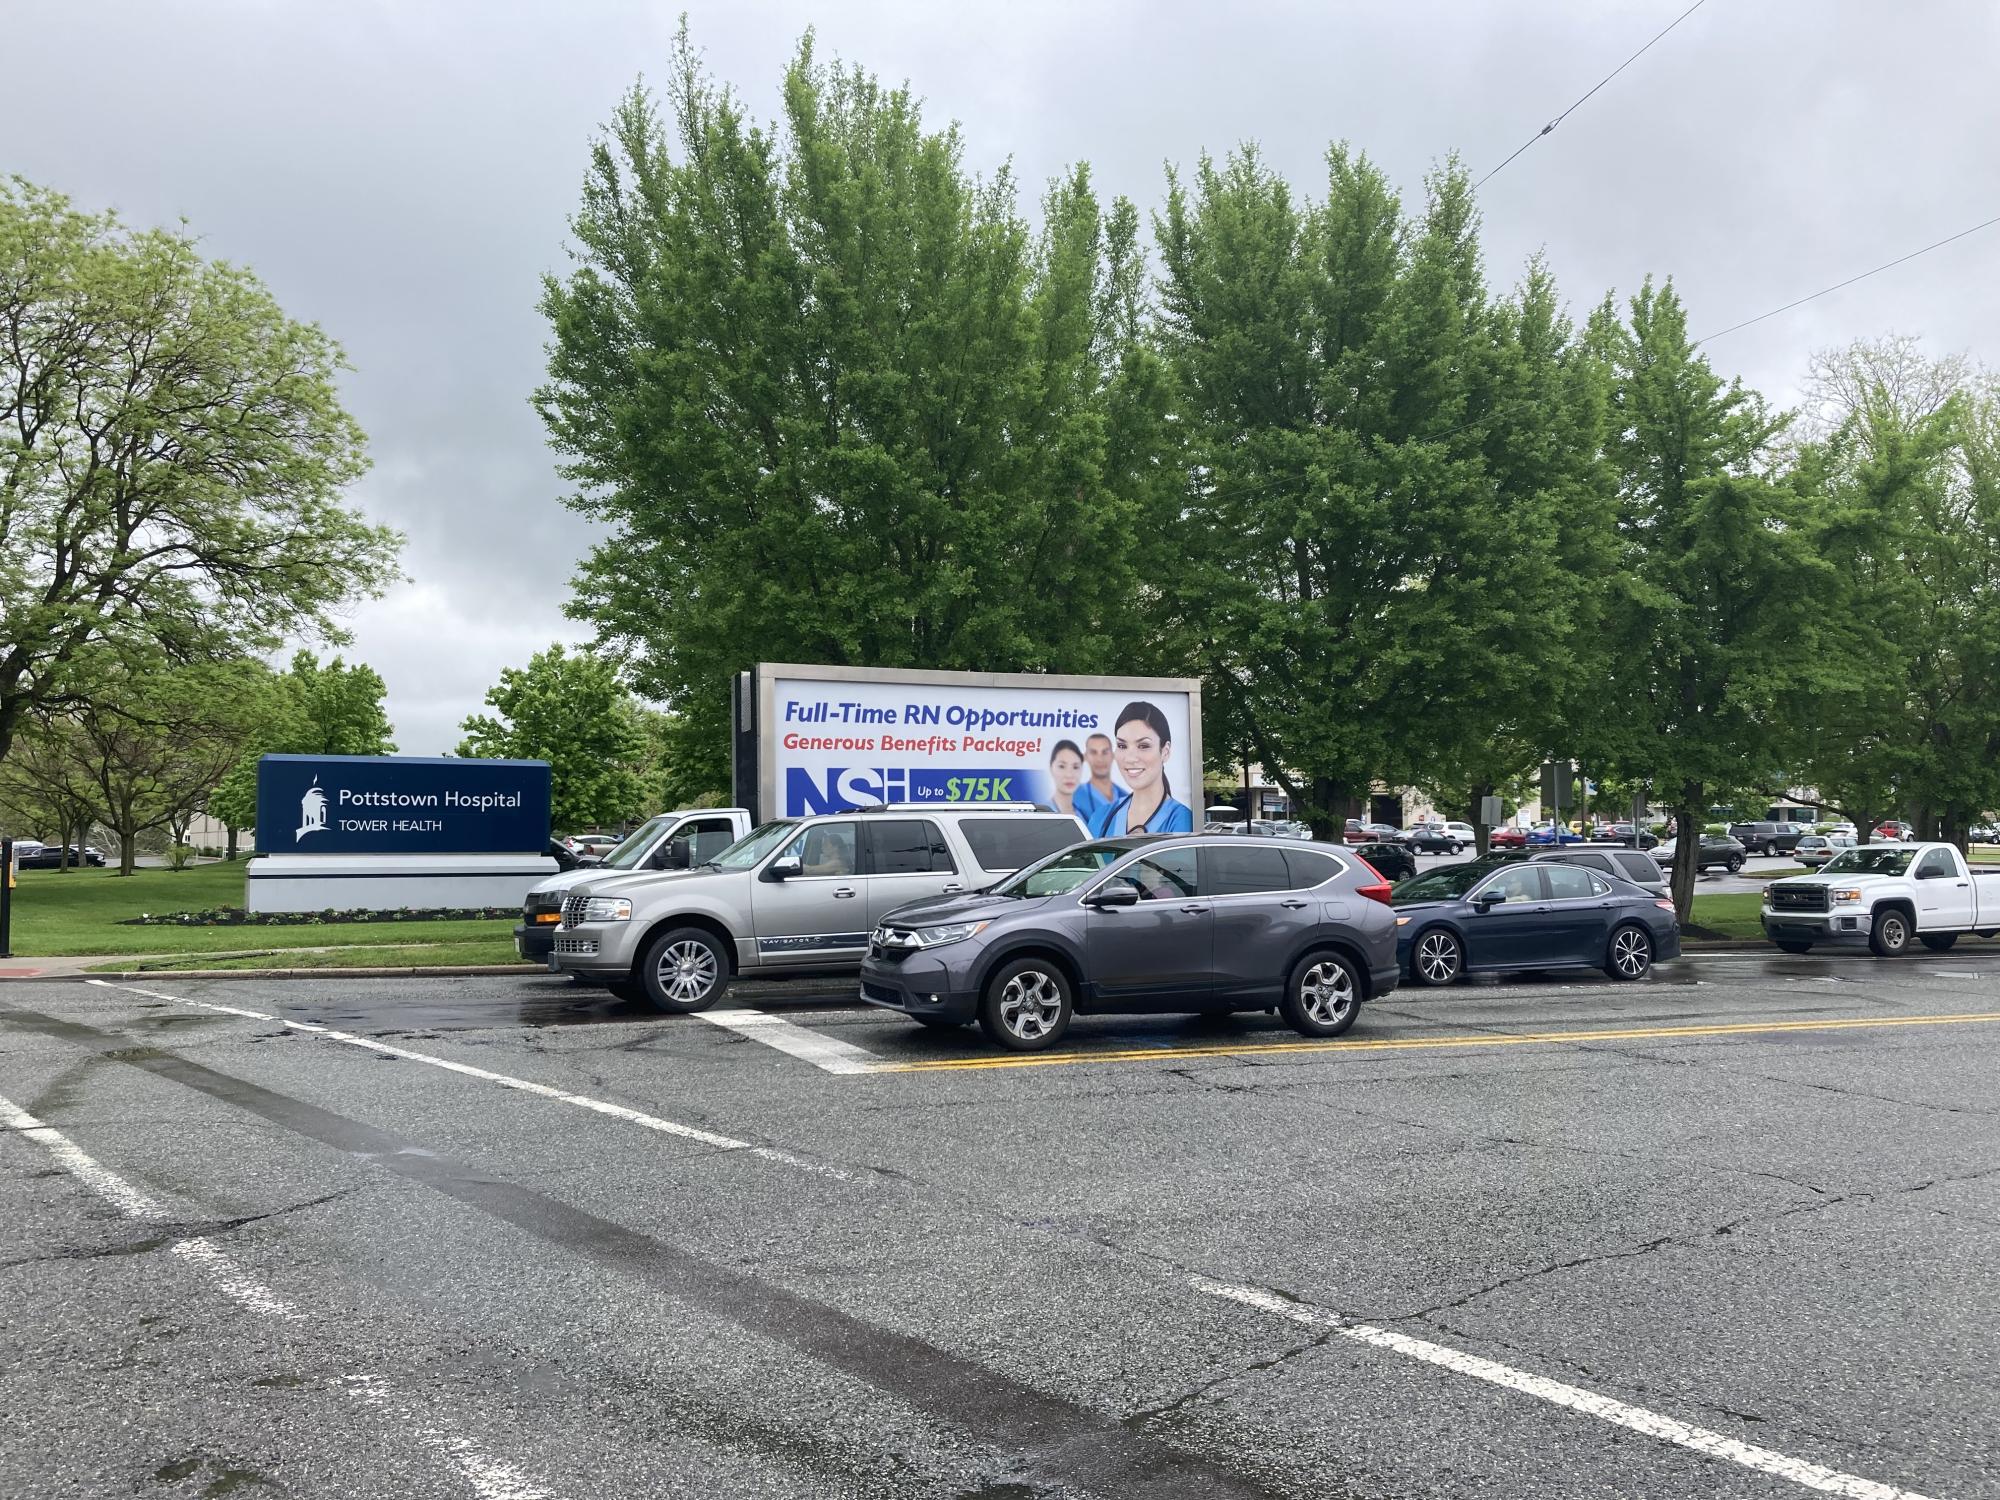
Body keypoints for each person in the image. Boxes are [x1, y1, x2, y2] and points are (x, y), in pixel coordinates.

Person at [1091, 702, 1194, 837]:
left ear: (1165, 751)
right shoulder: (1101, 817)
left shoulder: (1181, 819)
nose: (1130, 758)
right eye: (1122, 746)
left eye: (1143, 746)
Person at [1073, 731, 1120, 829]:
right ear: (1085, 757)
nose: (1100, 759)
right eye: (1094, 752)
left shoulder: (1126, 796)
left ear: (1113, 755)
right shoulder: (1076, 798)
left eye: (1105, 752)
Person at [1045, 739, 1086, 819]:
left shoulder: (1085, 817)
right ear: (1051, 768)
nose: (1069, 775)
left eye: (1075, 767)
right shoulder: (1043, 813)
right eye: (1062, 766)